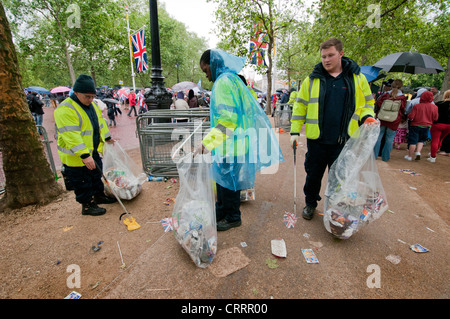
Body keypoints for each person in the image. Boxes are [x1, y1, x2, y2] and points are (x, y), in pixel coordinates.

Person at [290, 38, 376, 220]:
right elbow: (300, 107)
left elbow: (368, 102)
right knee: (313, 176)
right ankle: (310, 203)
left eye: (330, 55)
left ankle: (335, 209)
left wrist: (367, 116)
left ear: (341, 54)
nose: (326, 60)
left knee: (339, 179)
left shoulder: (357, 78)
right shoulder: (312, 80)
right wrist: (294, 132)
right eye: (323, 56)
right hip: (317, 141)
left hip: (343, 141)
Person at [198, 49, 283, 231]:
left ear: (213, 65)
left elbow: (228, 120)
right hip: (237, 142)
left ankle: (232, 217)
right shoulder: (233, 79)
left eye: (206, 70)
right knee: (224, 181)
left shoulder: (222, 83)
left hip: (230, 144)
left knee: (228, 184)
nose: (206, 76)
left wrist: (207, 142)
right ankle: (222, 211)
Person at [54, 74, 117, 216]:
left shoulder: (92, 105)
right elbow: (71, 135)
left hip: (92, 150)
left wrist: (106, 137)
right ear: (76, 93)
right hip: (76, 155)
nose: (90, 100)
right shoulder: (66, 109)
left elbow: (100, 122)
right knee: (82, 180)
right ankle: (87, 205)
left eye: (92, 96)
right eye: (87, 96)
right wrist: (84, 155)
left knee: (96, 175)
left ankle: (99, 196)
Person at [373, 79, 407, 161]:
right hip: (394, 120)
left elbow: (379, 104)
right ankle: (385, 157)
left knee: (378, 137)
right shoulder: (402, 98)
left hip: (382, 118)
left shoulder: (385, 96)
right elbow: (403, 109)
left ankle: (374, 156)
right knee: (389, 139)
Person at [405, 90, 438, 161]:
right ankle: (418, 152)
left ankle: (410, 156)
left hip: (415, 125)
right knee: (421, 140)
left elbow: (411, 117)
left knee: (413, 141)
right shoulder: (434, 107)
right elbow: (436, 118)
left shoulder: (417, 106)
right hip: (427, 126)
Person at [428, 89, 450, 162]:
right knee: (440, 139)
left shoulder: (439, 104)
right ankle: (433, 152)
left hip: (437, 124)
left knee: (435, 140)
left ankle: (433, 156)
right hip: (448, 126)